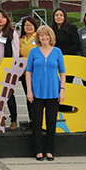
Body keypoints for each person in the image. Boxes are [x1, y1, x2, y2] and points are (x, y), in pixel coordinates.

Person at [25, 25, 66, 161]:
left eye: (46, 35)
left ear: (51, 37)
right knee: (36, 123)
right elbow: (28, 72)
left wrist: (62, 90)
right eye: (41, 35)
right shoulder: (33, 52)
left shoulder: (57, 52)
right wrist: (29, 91)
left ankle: (49, 150)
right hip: (36, 92)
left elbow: (62, 72)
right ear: (38, 37)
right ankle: (38, 150)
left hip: (53, 92)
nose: (44, 37)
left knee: (51, 123)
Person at [18, 16, 39, 128]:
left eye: (31, 25)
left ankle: (39, 120)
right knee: (29, 97)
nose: (29, 27)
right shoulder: (20, 39)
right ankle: (32, 120)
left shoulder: (39, 37)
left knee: (38, 98)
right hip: (26, 73)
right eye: (26, 25)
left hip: (38, 73)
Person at [51, 8, 80, 82]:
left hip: (69, 60)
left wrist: (62, 53)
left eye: (61, 15)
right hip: (55, 60)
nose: (59, 17)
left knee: (67, 84)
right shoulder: (51, 30)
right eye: (56, 15)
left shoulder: (72, 28)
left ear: (65, 17)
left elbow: (76, 45)